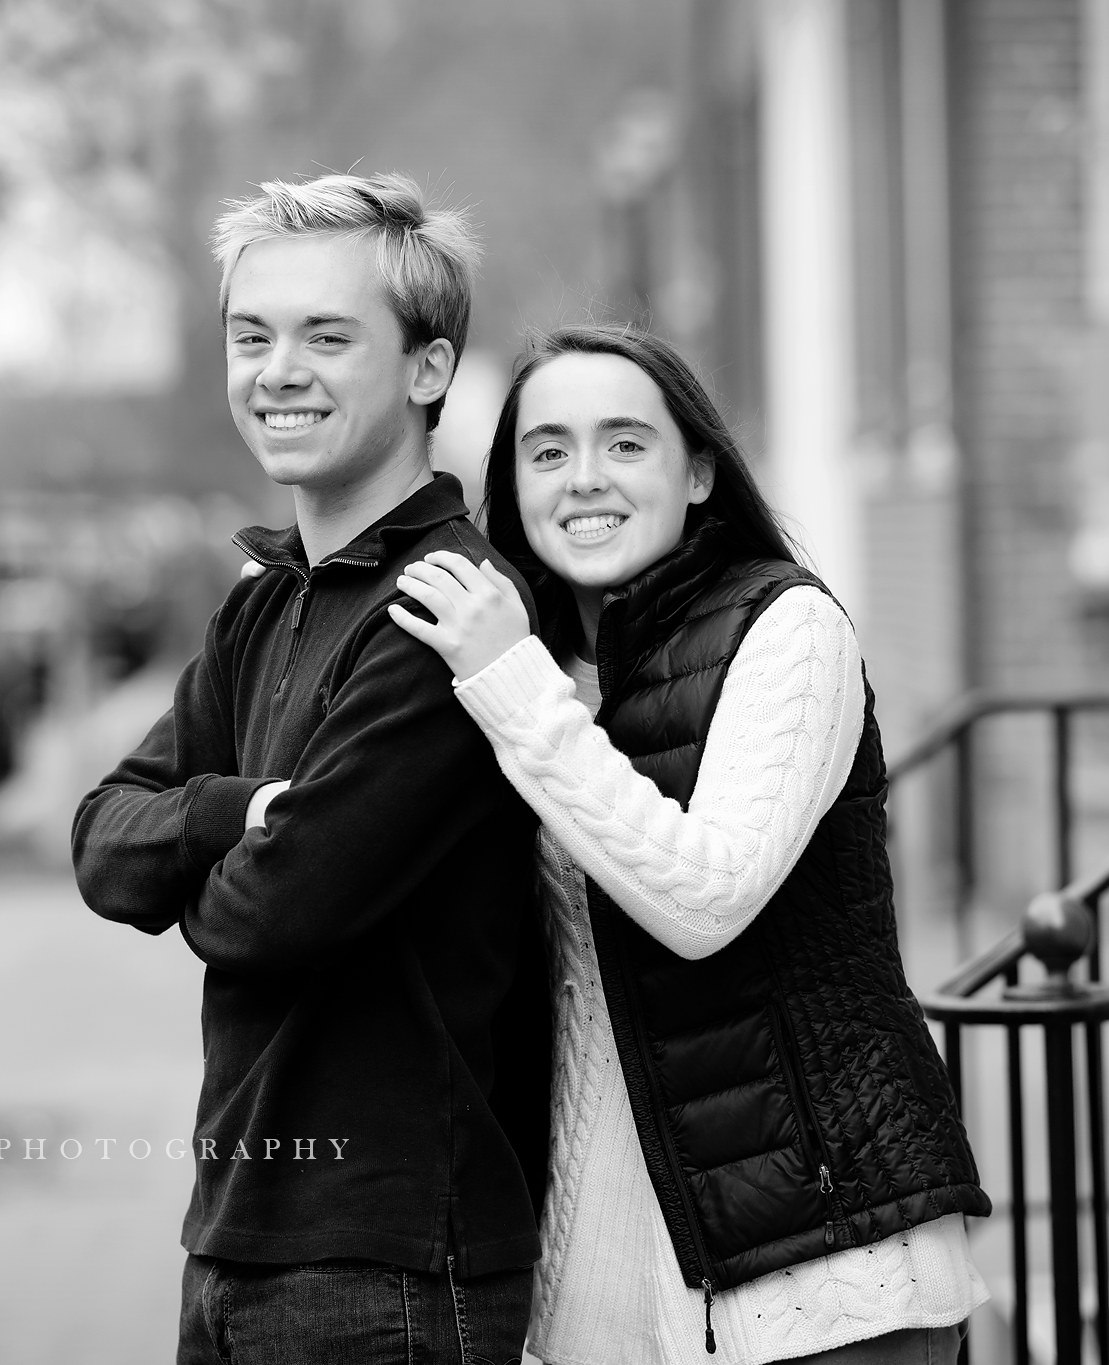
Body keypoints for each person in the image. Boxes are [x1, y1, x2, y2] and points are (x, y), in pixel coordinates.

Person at [387, 326, 991, 1365]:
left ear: (698, 471)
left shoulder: (785, 631)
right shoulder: (526, 666)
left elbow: (703, 901)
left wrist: (515, 690)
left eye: (624, 444)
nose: (583, 480)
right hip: (598, 1281)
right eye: (546, 452)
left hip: (820, 1275)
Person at [72, 172, 548, 1365]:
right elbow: (99, 845)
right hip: (237, 1239)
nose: (276, 371)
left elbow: (267, 915)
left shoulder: (449, 614)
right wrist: (240, 808)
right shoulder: (263, 605)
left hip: (384, 1267)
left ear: (428, 369)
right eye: (251, 337)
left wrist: (208, 848)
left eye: (327, 336)